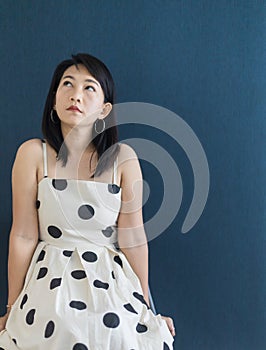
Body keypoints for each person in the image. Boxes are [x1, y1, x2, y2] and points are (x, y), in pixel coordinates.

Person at [0, 53, 175, 349]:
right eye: (67, 84)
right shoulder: (33, 154)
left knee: (119, 334)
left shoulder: (123, 159)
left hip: (110, 283)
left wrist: (147, 307)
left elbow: (133, 237)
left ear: (105, 109)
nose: (76, 95)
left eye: (89, 87)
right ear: (54, 101)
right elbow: (23, 235)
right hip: (50, 283)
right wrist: (10, 308)